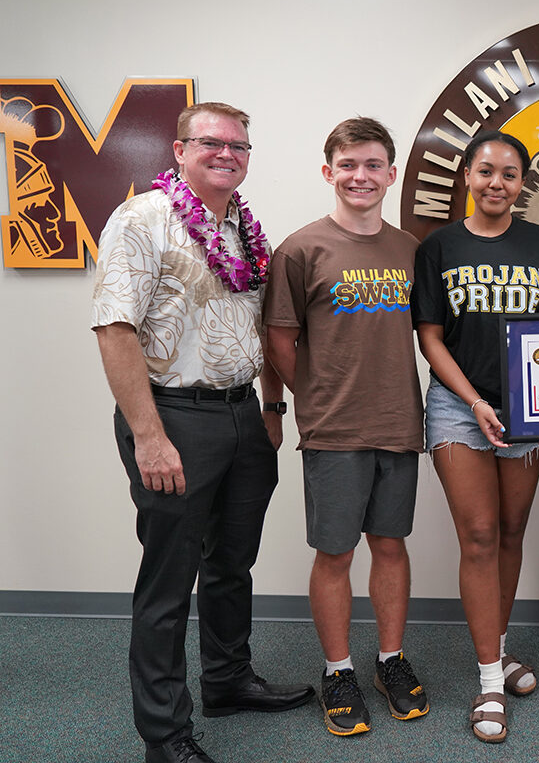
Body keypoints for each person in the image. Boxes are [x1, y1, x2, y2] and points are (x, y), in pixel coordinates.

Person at [91, 102, 313, 763]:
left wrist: (272, 408)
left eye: (240, 146)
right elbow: (114, 329)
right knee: (168, 581)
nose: (228, 154)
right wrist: (149, 436)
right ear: (180, 149)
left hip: (244, 415)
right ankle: (166, 736)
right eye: (212, 143)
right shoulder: (142, 219)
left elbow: (265, 326)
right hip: (173, 417)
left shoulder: (246, 227)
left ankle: (227, 680)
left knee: (231, 565)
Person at [264, 118, 427, 737]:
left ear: (391, 173)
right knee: (334, 552)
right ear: (328, 171)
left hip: (398, 423)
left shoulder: (412, 249)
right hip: (333, 430)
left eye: (374, 165)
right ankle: (338, 669)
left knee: (390, 544)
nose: (361, 176)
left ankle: (391, 660)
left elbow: (432, 336)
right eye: (348, 164)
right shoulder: (301, 249)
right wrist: (312, 396)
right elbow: (279, 338)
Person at [411, 129, 539, 743]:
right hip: (457, 406)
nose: (496, 183)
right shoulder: (439, 246)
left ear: (521, 184)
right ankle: (488, 683)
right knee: (477, 535)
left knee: (509, 531)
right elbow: (429, 335)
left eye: (508, 174)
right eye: (485, 172)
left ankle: (496, 652)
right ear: (467, 178)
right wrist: (474, 402)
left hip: (527, 411)